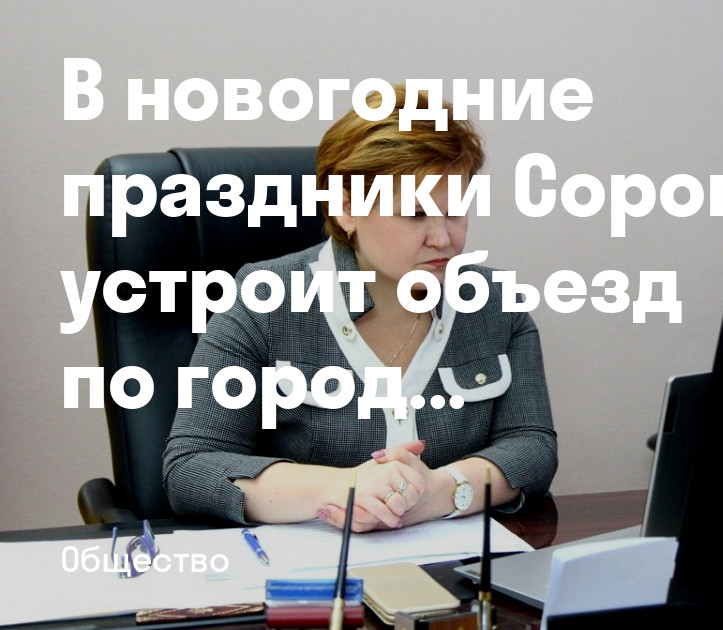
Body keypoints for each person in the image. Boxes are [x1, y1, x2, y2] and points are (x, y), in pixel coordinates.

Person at [163, 84, 557, 532]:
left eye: (455, 212)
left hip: (456, 565)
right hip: (314, 565)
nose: (443, 238)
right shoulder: (263, 299)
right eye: (415, 214)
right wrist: (343, 488)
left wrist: (441, 492)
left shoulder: (496, 305)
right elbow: (190, 468)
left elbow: (533, 447)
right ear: (346, 209)